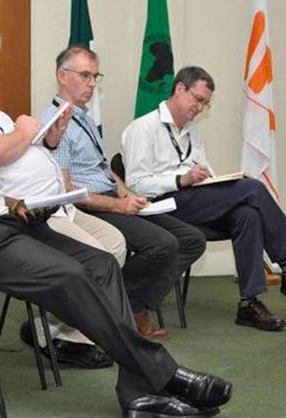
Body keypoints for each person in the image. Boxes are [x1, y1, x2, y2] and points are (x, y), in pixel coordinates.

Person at [0, 35, 232, 418]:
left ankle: (138, 394)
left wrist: (15, 204)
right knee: (70, 275)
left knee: (101, 264)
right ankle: (166, 374)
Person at [0, 26, 125, 369]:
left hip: (54, 207)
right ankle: (65, 336)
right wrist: (24, 131)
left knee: (114, 245)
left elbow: (18, 152)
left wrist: (46, 139)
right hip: (21, 215)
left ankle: (71, 331)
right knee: (97, 260)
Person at [121, 65, 286, 331]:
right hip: (161, 206)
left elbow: (203, 171)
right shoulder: (142, 128)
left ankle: (248, 304)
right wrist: (181, 180)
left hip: (193, 202)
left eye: (205, 104)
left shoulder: (191, 131)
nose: (200, 108)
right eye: (198, 99)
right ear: (180, 88)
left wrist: (214, 180)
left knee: (246, 214)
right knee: (252, 189)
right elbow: (135, 183)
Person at [41, 45, 206, 338]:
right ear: (62, 76)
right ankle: (126, 308)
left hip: (113, 198)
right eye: (85, 75)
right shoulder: (57, 123)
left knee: (192, 240)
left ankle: (128, 302)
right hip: (88, 207)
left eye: (95, 76)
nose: (92, 83)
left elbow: (104, 170)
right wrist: (119, 206)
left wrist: (128, 193)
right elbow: (65, 188)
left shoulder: (83, 117)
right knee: (163, 245)